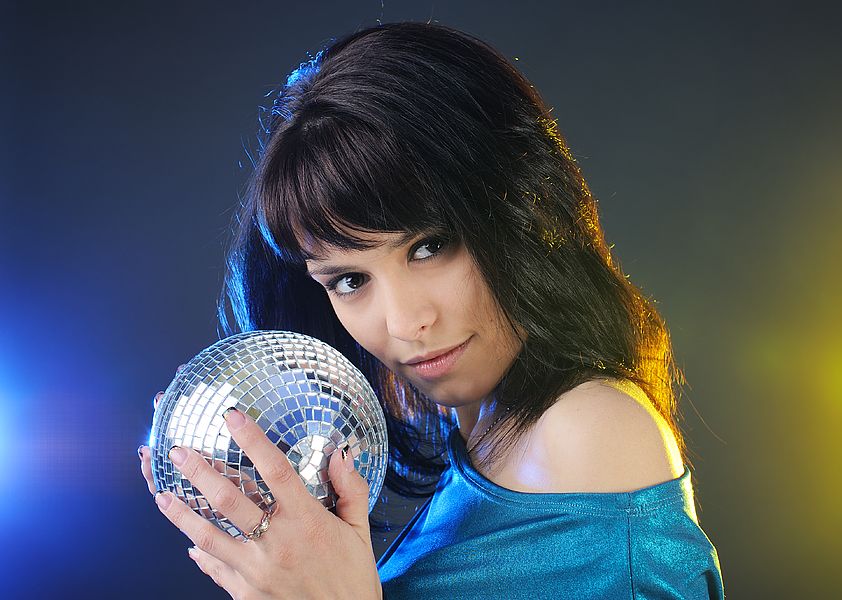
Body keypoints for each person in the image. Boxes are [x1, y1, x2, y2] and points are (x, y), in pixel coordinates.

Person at [139, 21, 724, 599]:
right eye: (349, 279)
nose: (403, 323)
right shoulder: (478, 434)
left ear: (525, 205)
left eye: (429, 246)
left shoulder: (588, 431)